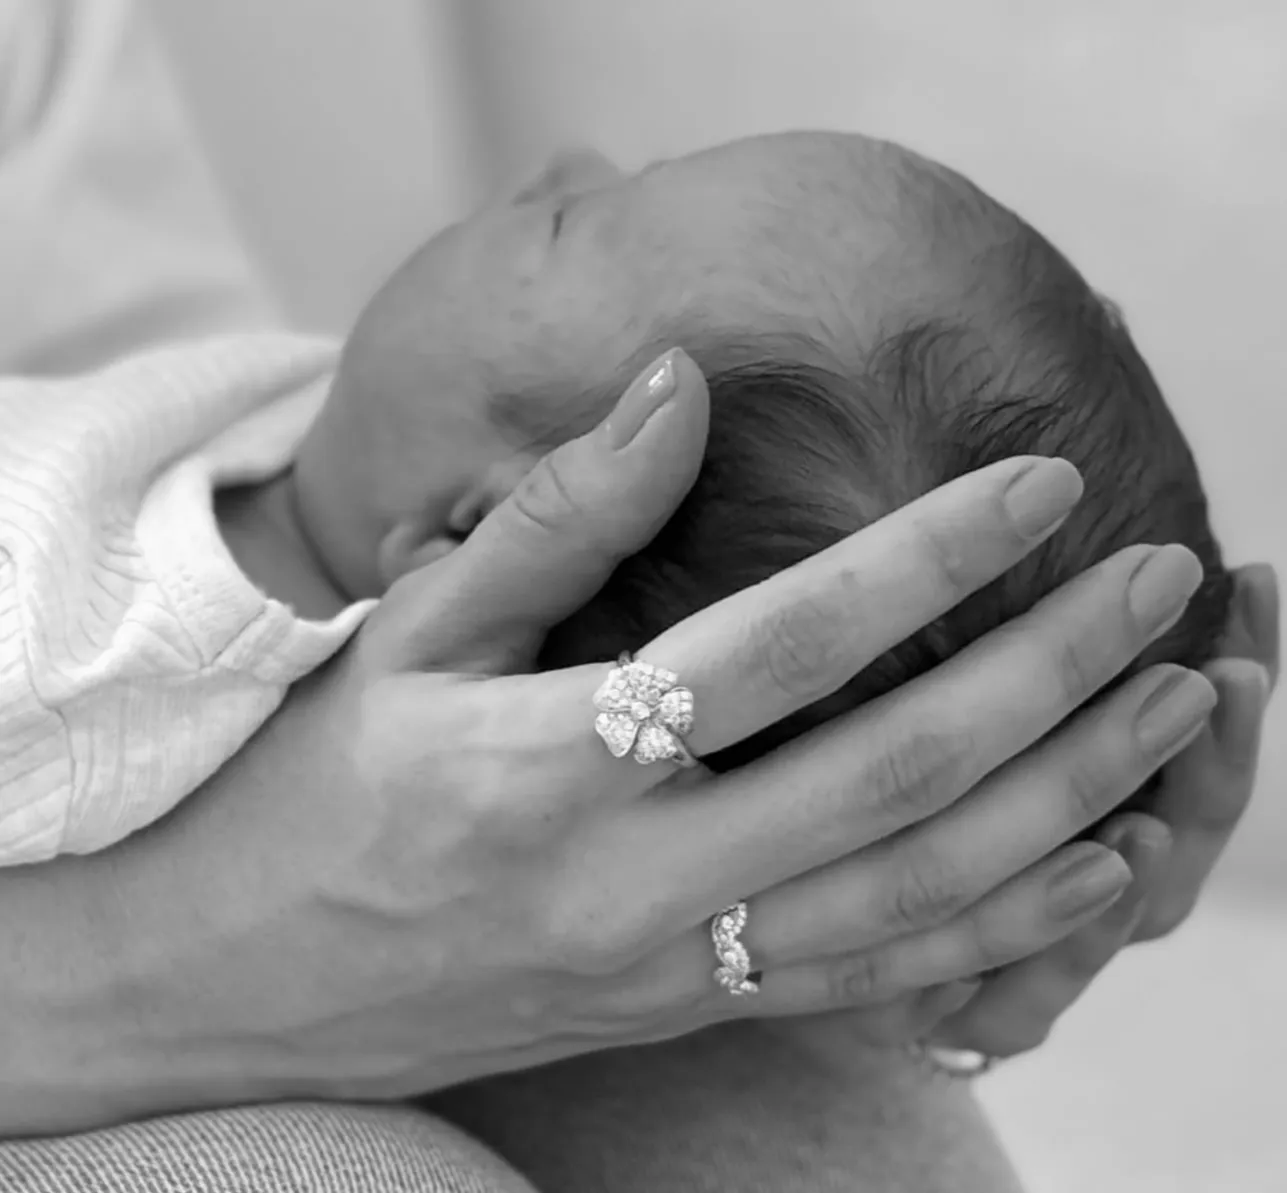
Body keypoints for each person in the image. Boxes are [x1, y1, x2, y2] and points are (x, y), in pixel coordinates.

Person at [0, 3, 1277, 1192]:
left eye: (571, 226)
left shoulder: (73, 646)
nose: (563, 162)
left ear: (483, 527)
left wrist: (912, 929)